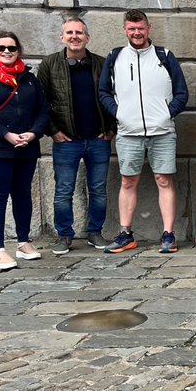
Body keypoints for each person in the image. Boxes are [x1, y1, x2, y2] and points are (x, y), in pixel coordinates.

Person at [98, 9, 189, 255]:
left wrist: (166, 113)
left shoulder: (164, 56)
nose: (136, 33)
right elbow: (104, 92)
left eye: (140, 28)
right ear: (125, 30)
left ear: (148, 29)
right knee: (128, 181)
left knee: (164, 180)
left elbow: (182, 93)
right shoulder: (115, 57)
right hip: (128, 132)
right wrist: (119, 113)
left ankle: (168, 235)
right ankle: (126, 234)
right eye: (131, 29)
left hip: (162, 132)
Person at [0, 30, 50, 270]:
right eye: (1, 47)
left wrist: (34, 133)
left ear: (18, 51)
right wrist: (6, 135)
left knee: (23, 195)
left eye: (11, 48)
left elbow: (43, 110)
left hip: (26, 145)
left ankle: (23, 242)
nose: (6, 52)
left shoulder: (28, 77)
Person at [36, 17, 117, 255]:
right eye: (69, 32)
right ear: (62, 37)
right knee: (63, 190)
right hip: (66, 141)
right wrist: (53, 131)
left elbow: (115, 98)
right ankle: (64, 235)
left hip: (98, 139)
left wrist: (111, 129)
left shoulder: (102, 64)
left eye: (79, 32)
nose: (75, 36)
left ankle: (95, 232)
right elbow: (41, 102)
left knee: (98, 189)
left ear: (87, 37)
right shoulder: (50, 64)